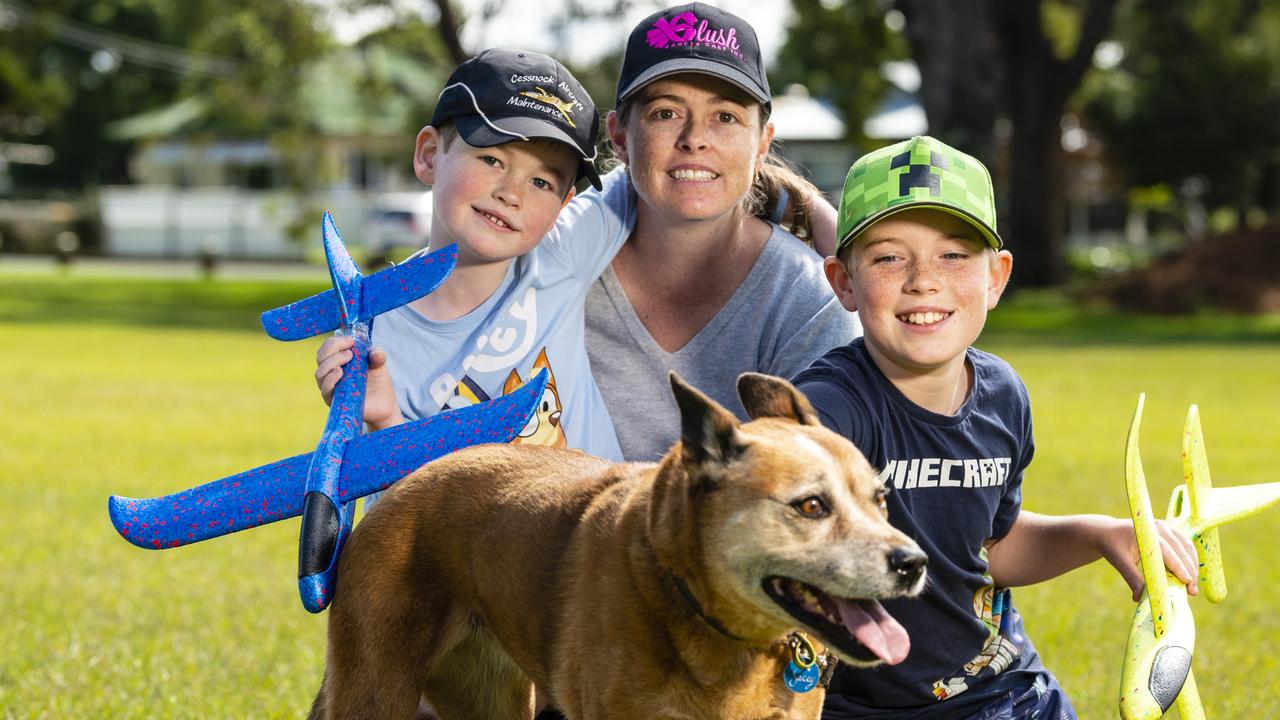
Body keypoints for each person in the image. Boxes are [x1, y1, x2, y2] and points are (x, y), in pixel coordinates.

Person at [790, 135, 1200, 719]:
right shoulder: (830, 410)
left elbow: (991, 546)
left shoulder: (1003, 395)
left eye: (953, 255)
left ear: (996, 278)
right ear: (843, 283)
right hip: (862, 709)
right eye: (888, 258)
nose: (922, 280)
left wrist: (1099, 535)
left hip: (999, 692)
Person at [315, 48, 627, 464]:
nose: (511, 194)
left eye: (541, 182)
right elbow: (404, 513)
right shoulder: (375, 334)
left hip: (596, 525)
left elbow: (671, 162)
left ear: (564, 203)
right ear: (429, 154)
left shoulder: (563, 250)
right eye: (492, 158)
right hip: (464, 528)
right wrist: (384, 419)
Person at [581, 1, 861, 462]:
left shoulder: (807, 299)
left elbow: (809, 489)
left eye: (725, 117)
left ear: (762, 144)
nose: (695, 138)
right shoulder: (558, 268)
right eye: (666, 113)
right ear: (618, 137)